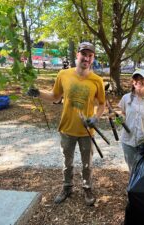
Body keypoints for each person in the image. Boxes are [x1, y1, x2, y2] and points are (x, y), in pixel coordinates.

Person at [27, 42, 105, 206]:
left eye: (90, 55)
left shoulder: (97, 80)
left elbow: (102, 104)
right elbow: (55, 97)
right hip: (67, 129)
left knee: (87, 165)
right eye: (84, 54)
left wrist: (96, 118)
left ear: (93, 58)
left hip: (87, 132)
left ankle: (87, 188)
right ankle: (67, 187)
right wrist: (38, 93)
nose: (86, 58)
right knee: (67, 163)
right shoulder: (63, 74)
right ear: (77, 55)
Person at [118, 69, 144, 172]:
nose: (139, 81)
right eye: (136, 79)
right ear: (132, 82)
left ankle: (143, 188)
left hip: (143, 142)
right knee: (132, 170)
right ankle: (133, 188)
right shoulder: (125, 98)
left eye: (142, 79)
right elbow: (123, 115)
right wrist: (120, 120)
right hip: (128, 141)